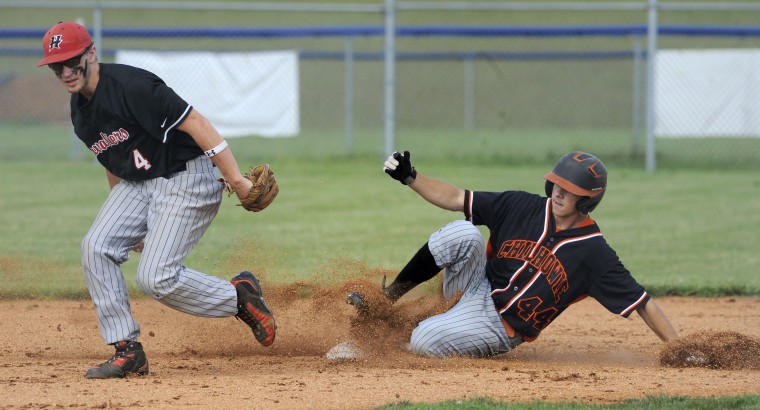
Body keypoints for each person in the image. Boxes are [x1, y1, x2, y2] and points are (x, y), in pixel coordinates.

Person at [37, 21, 277, 378]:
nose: (66, 71)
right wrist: (126, 225)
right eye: (57, 65)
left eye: (72, 61)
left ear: (91, 54)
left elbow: (198, 123)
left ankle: (239, 296)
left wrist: (237, 179)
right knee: (96, 246)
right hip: (140, 184)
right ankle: (128, 350)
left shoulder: (133, 87)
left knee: (156, 278)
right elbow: (113, 162)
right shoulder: (80, 112)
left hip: (187, 176)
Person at [347, 150, 679, 358]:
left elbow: (642, 302)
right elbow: (456, 197)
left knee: (424, 338)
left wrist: (679, 349)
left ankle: (388, 338)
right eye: (557, 184)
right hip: (475, 286)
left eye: (571, 190)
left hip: (499, 326)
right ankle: (387, 300)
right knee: (463, 231)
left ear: (588, 200)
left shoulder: (594, 252)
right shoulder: (521, 205)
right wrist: (411, 178)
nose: (560, 192)